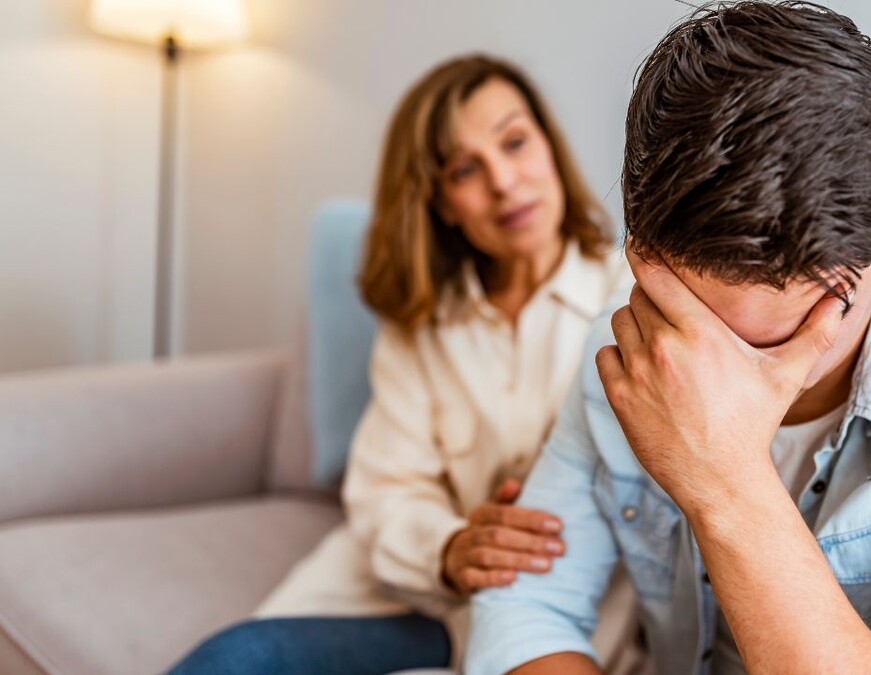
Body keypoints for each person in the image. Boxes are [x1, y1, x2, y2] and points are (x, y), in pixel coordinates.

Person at [466, 3, 871, 674]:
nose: (741, 371)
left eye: (803, 329)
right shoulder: (638, 354)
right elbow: (525, 613)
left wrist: (726, 478)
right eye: (705, 325)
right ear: (641, 253)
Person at [168, 54, 638, 674]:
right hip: (412, 598)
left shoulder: (631, 303)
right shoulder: (422, 323)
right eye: (465, 169)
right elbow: (387, 489)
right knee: (235, 659)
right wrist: (452, 548)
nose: (503, 182)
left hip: (548, 620)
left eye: (515, 142)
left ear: (549, 144)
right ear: (441, 202)